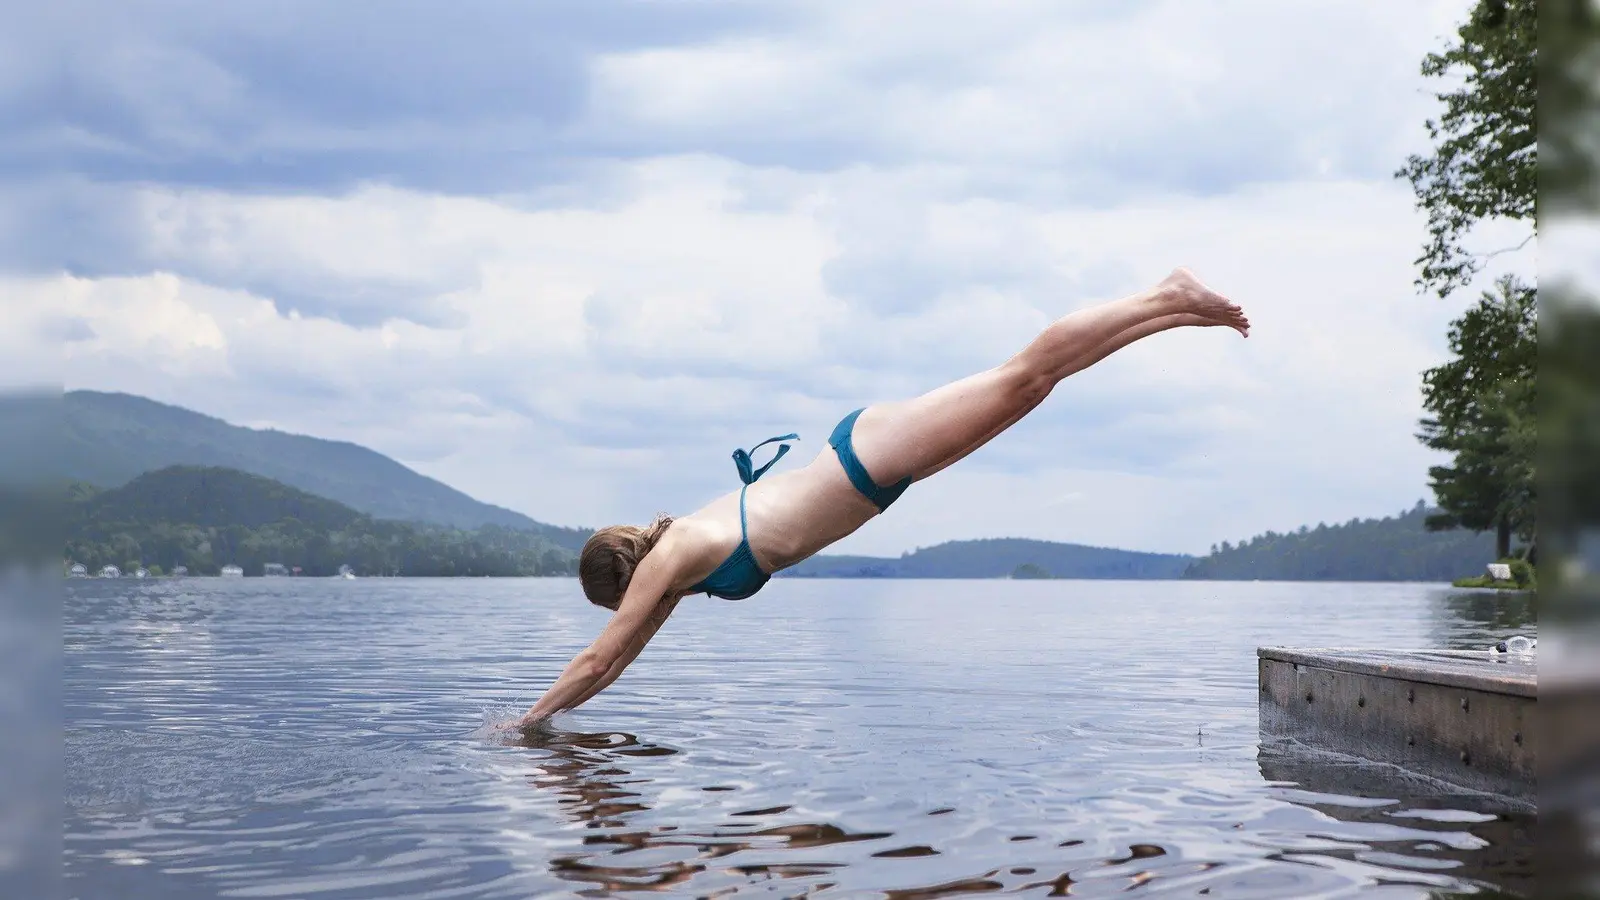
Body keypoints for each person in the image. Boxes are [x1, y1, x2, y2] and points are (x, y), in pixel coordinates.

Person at [514, 268, 1248, 728]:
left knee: (1023, 374)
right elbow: (623, 656)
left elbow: (597, 660)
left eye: (616, 604)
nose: (627, 615)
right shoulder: (676, 569)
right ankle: (1174, 312)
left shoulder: (670, 557)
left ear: (619, 583)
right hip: (874, 474)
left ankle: (1167, 296)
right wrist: (547, 724)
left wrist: (520, 726)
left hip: (866, 460)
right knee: (1033, 389)